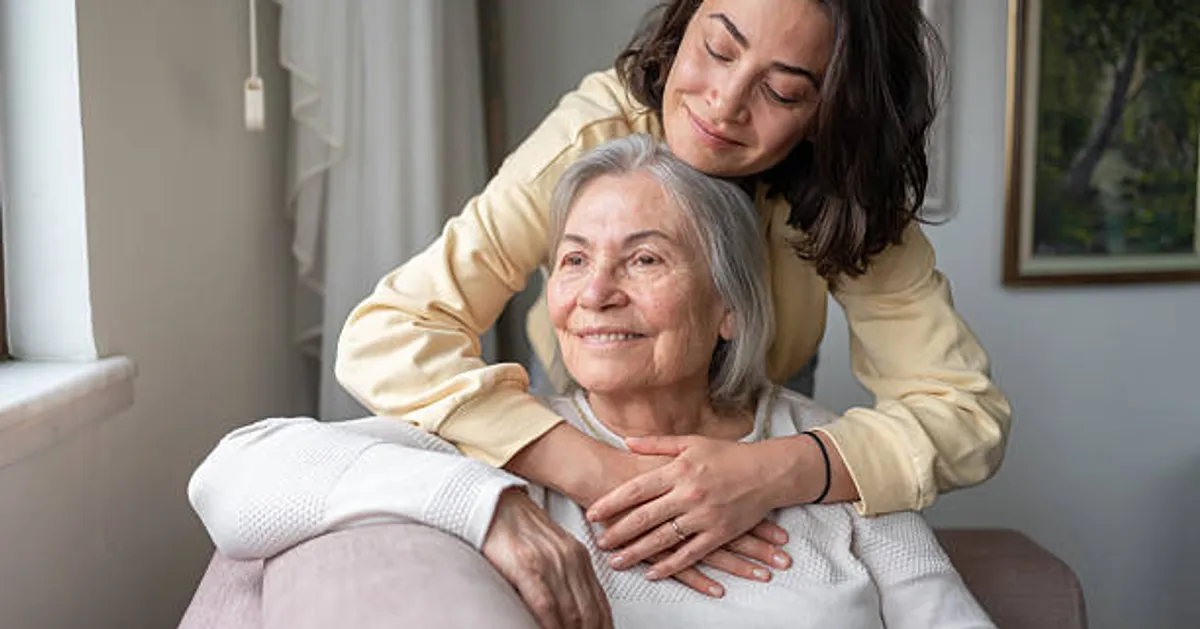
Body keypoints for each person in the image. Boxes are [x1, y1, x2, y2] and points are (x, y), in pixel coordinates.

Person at [335, 0, 1011, 591]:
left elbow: (965, 414)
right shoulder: (590, 137)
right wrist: (597, 469)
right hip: (584, 400)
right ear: (686, 21)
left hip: (764, 411)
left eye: (780, 92)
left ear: (830, 112)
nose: (723, 103)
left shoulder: (848, 192)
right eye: (717, 49)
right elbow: (389, 335)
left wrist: (773, 469)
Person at [189, 136, 996, 629]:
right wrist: (490, 507)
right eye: (574, 258)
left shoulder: (828, 457)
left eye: (644, 258)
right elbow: (230, 474)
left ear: (728, 307)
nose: (594, 292)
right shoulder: (509, 441)